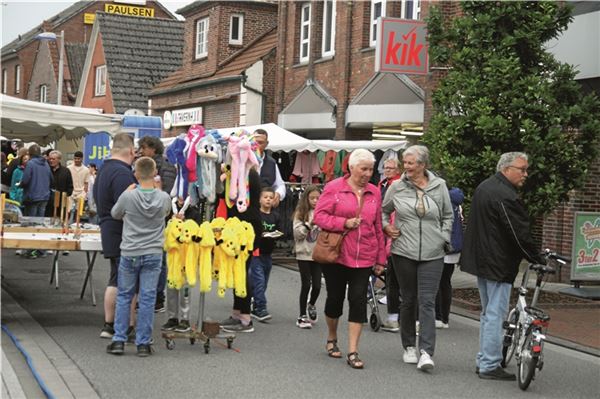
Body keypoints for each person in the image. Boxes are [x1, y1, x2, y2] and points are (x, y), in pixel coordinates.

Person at [460, 152, 544, 381]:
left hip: (482, 260)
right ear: (507, 169)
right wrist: (536, 258)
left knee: (489, 313)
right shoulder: (506, 195)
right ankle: (489, 364)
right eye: (522, 169)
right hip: (498, 262)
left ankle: (485, 358)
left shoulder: (485, 187)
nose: (525, 174)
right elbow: (518, 233)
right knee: (495, 314)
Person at [381, 145, 453, 371]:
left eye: (411, 163)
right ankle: (409, 346)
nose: (407, 167)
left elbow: (448, 215)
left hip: (433, 252)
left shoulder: (439, 186)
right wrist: (386, 226)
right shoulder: (397, 187)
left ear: (423, 165)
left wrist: (443, 237)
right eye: (405, 162)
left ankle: (426, 352)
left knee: (428, 301)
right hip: (404, 251)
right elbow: (384, 211)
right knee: (409, 299)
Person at [313, 149, 386, 369]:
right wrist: (343, 223)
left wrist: (381, 258)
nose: (367, 173)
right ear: (351, 167)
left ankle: (353, 350)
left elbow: (377, 227)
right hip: (337, 254)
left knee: (357, 300)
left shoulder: (374, 192)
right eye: (363, 168)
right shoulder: (334, 188)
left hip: (364, 256)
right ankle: (332, 337)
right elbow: (319, 216)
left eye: (371, 169)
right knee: (335, 299)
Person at [106, 156, 171, 356]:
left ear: (135, 173)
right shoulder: (163, 198)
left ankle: (119, 339)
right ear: (154, 174)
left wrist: (124, 194)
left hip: (130, 251)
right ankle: (143, 343)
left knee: (125, 295)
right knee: (148, 298)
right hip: (153, 252)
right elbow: (166, 213)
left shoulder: (128, 196)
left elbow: (115, 214)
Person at [93, 133, 137, 339]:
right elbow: (127, 207)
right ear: (131, 151)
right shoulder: (122, 174)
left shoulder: (103, 170)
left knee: (115, 279)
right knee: (127, 282)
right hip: (123, 233)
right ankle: (126, 325)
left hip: (108, 230)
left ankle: (109, 325)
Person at [221, 167, 263, 334]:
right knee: (237, 272)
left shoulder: (247, 173)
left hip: (246, 228)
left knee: (242, 272)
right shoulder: (241, 172)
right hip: (240, 225)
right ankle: (237, 313)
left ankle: (245, 318)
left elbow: (230, 197)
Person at [137, 135, 176, 313]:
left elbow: (166, 193)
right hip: (148, 218)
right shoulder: (145, 164)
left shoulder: (164, 166)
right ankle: (150, 297)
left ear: (153, 149)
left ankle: (157, 298)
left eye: (144, 148)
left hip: (160, 220)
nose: (141, 151)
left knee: (158, 260)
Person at [378, 158, 403, 333]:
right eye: (385, 168)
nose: (387, 170)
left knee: (399, 282)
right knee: (393, 280)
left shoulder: (398, 186)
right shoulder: (383, 185)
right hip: (387, 236)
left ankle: (406, 319)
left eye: (390, 168)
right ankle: (394, 318)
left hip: (397, 240)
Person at [250, 187, 281, 322]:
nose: (268, 199)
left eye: (271, 197)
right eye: (265, 197)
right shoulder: (256, 214)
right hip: (256, 252)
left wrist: (276, 235)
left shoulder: (275, 215)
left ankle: (254, 301)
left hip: (268, 253)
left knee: (264, 281)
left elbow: (279, 230)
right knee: (259, 280)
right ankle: (261, 308)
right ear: (260, 199)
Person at [292, 185, 322, 329]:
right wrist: (310, 225)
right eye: (312, 198)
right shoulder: (301, 213)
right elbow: (297, 234)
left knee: (317, 285)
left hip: (318, 253)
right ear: (306, 199)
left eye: (318, 198)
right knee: (306, 284)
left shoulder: (323, 212)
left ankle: (311, 304)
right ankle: (302, 315)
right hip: (304, 252)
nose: (315, 201)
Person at [435, 187, 464, 329]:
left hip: (442, 247)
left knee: (438, 282)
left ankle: (438, 316)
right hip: (454, 247)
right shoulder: (456, 202)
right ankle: (444, 318)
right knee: (445, 282)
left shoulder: (443, 201)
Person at [20, 144, 53, 258]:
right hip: (44, 196)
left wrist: (20, 184)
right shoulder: (46, 164)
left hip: (32, 197)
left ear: (30, 154)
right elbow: (51, 179)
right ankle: (41, 249)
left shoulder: (30, 164)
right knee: (40, 224)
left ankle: (31, 250)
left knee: (31, 224)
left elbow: (25, 180)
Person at [253, 129, 286, 207]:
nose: (257, 145)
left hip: (265, 208)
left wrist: (278, 194)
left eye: (260, 143)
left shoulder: (272, 163)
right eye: (255, 142)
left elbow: (280, 184)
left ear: (266, 144)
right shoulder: (243, 161)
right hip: (246, 205)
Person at [45, 150, 73, 218]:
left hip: (61, 203)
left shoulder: (66, 171)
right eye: (50, 159)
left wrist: (65, 194)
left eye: (53, 159)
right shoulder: (46, 170)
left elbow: (70, 187)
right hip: (48, 203)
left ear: (59, 159)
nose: (51, 161)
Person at [67, 151, 90, 224]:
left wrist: (85, 193)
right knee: (69, 210)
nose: (77, 160)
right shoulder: (69, 168)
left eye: (78, 159)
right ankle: (68, 224)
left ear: (82, 159)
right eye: (75, 158)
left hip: (81, 192)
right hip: (71, 192)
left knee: (78, 212)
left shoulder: (86, 169)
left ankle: (76, 224)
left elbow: (86, 183)